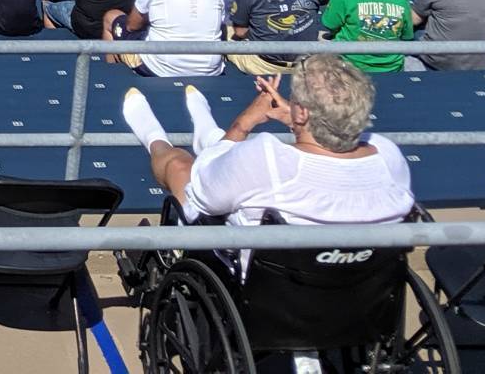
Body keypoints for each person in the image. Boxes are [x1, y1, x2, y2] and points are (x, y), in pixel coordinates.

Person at [121, 59, 413, 249]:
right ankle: (206, 131)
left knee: (179, 165)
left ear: (301, 110)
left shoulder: (268, 158)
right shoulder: (387, 155)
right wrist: (300, 123)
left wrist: (242, 123)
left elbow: (201, 190)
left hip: (263, 288)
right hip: (362, 289)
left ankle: (154, 137)